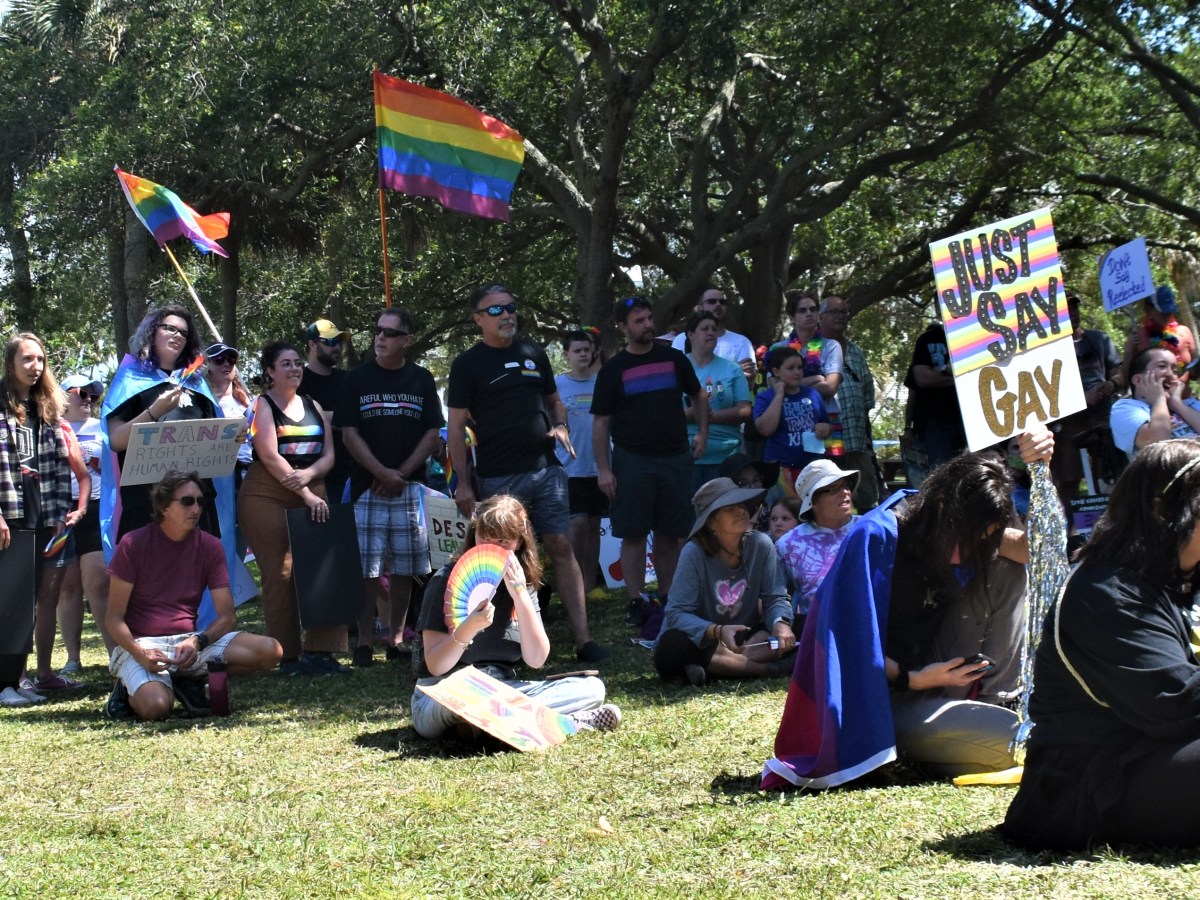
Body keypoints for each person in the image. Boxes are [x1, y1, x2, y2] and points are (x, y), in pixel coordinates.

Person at [763, 431, 1053, 789]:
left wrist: (1040, 470)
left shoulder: (969, 528)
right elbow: (845, 646)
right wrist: (915, 679)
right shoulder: (877, 536)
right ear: (943, 503)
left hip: (949, 682)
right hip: (885, 700)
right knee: (1022, 744)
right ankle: (953, 744)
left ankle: (996, 706)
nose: (966, 551)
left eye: (981, 536)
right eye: (964, 535)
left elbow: (1029, 551)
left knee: (1007, 565)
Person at [1004, 439, 1200, 850]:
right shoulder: (1106, 591)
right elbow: (1174, 705)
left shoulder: (1159, 579)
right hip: (1087, 785)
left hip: (1143, 753)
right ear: (1164, 510)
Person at [448, 284, 605, 662]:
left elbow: (554, 402)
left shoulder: (534, 352)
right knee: (496, 557)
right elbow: (455, 429)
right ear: (478, 320)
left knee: (561, 546)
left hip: (546, 470)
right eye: (496, 310)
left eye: (511, 307)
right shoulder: (467, 364)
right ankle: (496, 642)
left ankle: (584, 640)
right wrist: (465, 482)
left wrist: (561, 424)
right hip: (498, 476)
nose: (507, 315)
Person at [411, 494, 620, 740]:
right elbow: (436, 666)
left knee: (592, 688)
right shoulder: (445, 580)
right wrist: (467, 628)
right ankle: (563, 722)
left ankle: (488, 728)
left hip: (502, 689)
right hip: (443, 692)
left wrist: (520, 595)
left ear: (519, 542)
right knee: (456, 705)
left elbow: (536, 659)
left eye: (503, 542)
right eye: (484, 539)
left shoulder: (523, 583)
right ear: (473, 534)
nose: (491, 548)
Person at [105, 471, 281, 720]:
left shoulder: (210, 545)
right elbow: (113, 618)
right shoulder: (133, 543)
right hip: (142, 645)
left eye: (201, 501)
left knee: (270, 650)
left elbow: (227, 617)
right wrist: (138, 652)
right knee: (157, 709)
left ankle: (188, 679)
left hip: (188, 643)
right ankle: (125, 689)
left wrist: (197, 642)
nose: (196, 508)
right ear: (164, 507)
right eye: (187, 501)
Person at [337, 307, 443, 666]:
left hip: (409, 488)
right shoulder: (356, 379)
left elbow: (432, 432)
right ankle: (365, 641)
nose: (380, 337)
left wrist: (400, 473)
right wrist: (381, 472)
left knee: (404, 566)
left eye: (389, 333)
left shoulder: (422, 380)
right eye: (377, 330)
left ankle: (396, 639)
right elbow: (349, 434)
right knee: (366, 568)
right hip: (368, 487)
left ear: (406, 341)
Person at [592, 295, 708, 621]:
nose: (647, 325)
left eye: (648, 319)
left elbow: (698, 396)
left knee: (671, 532)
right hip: (632, 460)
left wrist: (702, 433)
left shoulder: (674, 358)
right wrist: (604, 469)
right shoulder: (613, 369)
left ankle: (669, 597)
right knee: (634, 534)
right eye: (639, 321)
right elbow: (601, 422)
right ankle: (636, 600)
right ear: (623, 327)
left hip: (675, 458)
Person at [238, 342, 348, 677]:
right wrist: (305, 493)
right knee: (281, 573)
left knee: (325, 568)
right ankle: (286, 656)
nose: (294, 369)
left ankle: (322, 652)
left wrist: (312, 477)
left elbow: (329, 453)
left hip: (310, 484)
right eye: (285, 364)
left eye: (297, 363)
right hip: (267, 491)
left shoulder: (313, 403)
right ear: (270, 372)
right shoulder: (262, 405)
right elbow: (270, 455)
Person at [0, 334, 86, 707]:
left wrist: (60, 513)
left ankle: (15, 682)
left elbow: (64, 468)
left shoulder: (46, 406)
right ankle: (3, 685)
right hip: (9, 510)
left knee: (28, 601)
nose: (36, 367)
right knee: (7, 601)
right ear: (11, 363)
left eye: (41, 359)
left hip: (42, 512)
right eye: (28, 360)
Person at [653, 478, 797, 686]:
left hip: (745, 639)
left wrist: (780, 624)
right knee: (674, 644)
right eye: (729, 508)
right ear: (711, 523)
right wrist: (717, 630)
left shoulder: (761, 544)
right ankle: (768, 669)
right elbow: (676, 613)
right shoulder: (694, 553)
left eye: (742, 504)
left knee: (803, 625)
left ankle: (717, 669)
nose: (740, 511)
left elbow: (775, 597)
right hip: (703, 640)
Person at [55, 374, 113, 680]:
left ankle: (115, 655)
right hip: (61, 512)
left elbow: (116, 469)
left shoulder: (102, 429)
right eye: (82, 393)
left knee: (99, 583)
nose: (89, 399)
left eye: (94, 395)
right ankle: (73, 659)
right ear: (63, 397)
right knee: (67, 587)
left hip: (95, 511)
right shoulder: (50, 428)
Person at [1050, 291, 1124, 499]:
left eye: (1074, 308)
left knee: (1114, 476)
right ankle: (1072, 527)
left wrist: (1111, 384)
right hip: (1069, 426)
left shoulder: (1099, 339)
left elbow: (1118, 373)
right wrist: (1082, 399)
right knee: (1068, 482)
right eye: (1066, 309)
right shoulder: (1049, 350)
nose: (1072, 313)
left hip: (1103, 421)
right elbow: (1048, 394)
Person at [775, 460, 861, 626]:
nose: (844, 492)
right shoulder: (789, 545)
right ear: (813, 502)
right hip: (819, 635)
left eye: (845, 485)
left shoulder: (870, 529)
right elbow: (778, 597)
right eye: (833, 489)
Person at [555, 329, 606, 594]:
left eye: (587, 349)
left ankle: (590, 584)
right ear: (566, 355)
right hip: (569, 467)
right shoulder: (557, 385)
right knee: (577, 524)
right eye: (577, 350)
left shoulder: (603, 382)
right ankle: (573, 584)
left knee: (594, 524)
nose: (583, 354)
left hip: (599, 466)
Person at [818, 296, 879, 510]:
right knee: (830, 495)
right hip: (826, 443)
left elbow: (867, 394)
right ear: (820, 317)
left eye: (844, 312)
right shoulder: (812, 349)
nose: (841, 316)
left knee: (866, 498)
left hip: (857, 442)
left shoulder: (855, 350)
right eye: (834, 312)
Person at [683, 310, 752, 489]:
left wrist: (709, 415)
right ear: (690, 334)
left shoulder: (732, 369)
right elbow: (665, 413)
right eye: (704, 328)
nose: (711, 332)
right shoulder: (677, 367)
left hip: (727, 457)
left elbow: (745, 410)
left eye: (714, 328)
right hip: (687, 458)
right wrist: (696, 413)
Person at [752, 345, 832, 495]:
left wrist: (825, 427)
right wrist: (779, 395)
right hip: (781, 469)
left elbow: (826, 424)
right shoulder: (765, 397)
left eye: (800, 368)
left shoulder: (813, 394)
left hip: (813, 467)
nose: (797, 372)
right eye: (790, 368)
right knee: (787, 512)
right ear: (776, 371)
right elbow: (765, 429)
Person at [903, 320, 964, 483]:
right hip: (935, 422)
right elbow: (919, 385)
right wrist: (908, 427)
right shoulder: (926, 341)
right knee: (939, 475)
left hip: (968, 420)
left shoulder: (969, 336)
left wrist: (942, 373)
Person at [298, 318, 352, 504]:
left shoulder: (348, 379)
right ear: (312, 345)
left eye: (339, 342)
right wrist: (341, 419)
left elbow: (356, 419)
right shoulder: (298, 380)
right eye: (329, 342)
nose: (336, 347)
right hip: (312, 480)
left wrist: (330, 417)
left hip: (349, 477)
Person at [1110, 346, 1200, 458]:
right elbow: (1158, 442)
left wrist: (1177, 403)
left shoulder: (1188, 404)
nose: (1171, 374)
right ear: (1138, 380)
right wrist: (1159, 399)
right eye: (1162, 366)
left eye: (1174, 370)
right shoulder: (1125, 409)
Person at [670, 286, 756, 381]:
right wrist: (734, 371)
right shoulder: (682, 339)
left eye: (722, 302)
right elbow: (678, 376)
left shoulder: (742, 341)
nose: (718, 305)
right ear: (699, 308)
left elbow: (748, 383)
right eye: (712, 301)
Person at [779, 290, 843, 412]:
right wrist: (817, 379)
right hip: (791, 418)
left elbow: (830, 387)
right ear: (792, 318)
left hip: (825, 419)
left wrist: (790, 386)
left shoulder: (832, 346)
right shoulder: (779, 349)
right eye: (802, 310)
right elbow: (775, 386)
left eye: (813, 309)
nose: (809, 314)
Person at [202, 342, 253, 494]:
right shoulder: (203, 402)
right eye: (219, 359)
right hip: (220, 477)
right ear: (207, 364)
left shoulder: (248, 402)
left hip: (250, 474)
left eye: (231, 360)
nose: (226, 364)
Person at [1123, 285, 1196, 378]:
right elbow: (1125, 381)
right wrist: (1129, 352)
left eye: (1170, 311)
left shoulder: (1185, 332)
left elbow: (1194, 374)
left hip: (1183, 392)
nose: (1167, 315)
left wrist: (1190, 373)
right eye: (1163, 311)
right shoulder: (1138, 338)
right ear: (1148, 309)